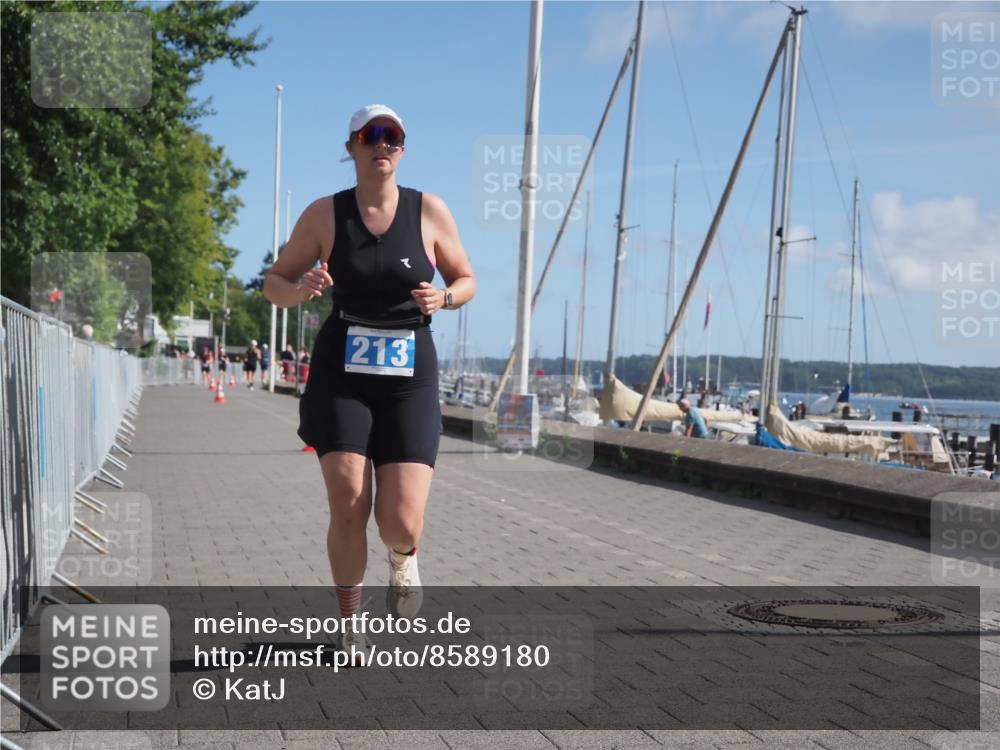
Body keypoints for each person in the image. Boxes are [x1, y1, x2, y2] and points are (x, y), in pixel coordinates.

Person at [262, 105, 475, 660]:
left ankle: (403, 558)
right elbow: (274, 284)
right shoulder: (324, 214)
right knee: (350, 503)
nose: (383, 144)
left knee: (400, 519)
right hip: (342, 373)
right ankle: (350, 622)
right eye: (371, 136)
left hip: (409, 374)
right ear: (351, 146)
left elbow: (466, 278)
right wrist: (302, 287)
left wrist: (445, 297)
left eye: (394, 137)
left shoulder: (429, 210)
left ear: (402, 149)